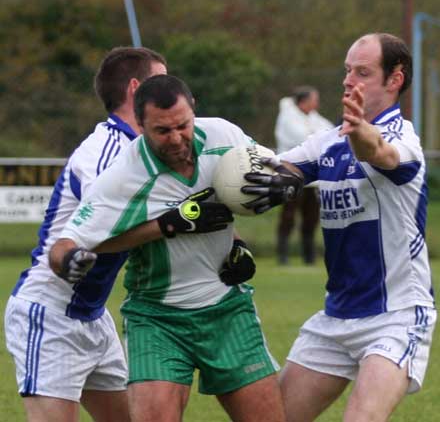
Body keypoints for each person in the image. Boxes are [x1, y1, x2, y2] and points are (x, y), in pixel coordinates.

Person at [48, 74, 303, 422]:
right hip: (157, 319)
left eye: (182, 125)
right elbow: (64, 244)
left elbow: (279, 168)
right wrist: (72, 260)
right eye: (162, 131)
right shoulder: (125, 174)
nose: (177, 138)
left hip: (228, 309)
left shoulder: (223, 135)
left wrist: (286, 185)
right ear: (140, 124)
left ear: (193, 109)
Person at [242, 33, 436, 421]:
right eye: (347, 70)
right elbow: (276, 168)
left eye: (362, 72)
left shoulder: (404, 142)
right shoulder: (326, 142)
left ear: (394, 79)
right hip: (336, 317)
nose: (348, 80)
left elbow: (378, 151)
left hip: (395, 317)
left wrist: (360, 128)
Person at [4, 47, 167, 422]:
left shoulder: (141, 149)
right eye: (161, 80)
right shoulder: (108, 148)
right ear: (135, 88)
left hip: (93, 317)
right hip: (50, 314)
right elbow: (110, 221)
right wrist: (175, 219)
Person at [274, 86, 333, 264]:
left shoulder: (313, 117)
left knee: (311, 216)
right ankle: (283, 255)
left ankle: (309, 256)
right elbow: (302, 138)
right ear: (304, 101)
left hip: (313, 177)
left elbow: (330, 131)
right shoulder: (287, 116)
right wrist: (319, 138)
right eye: (314, 99)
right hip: (291, 174)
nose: (317, 103)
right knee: (289, 214)